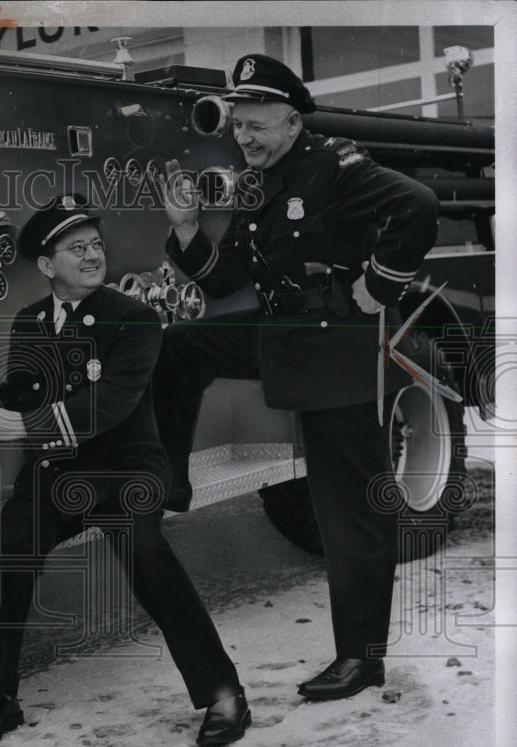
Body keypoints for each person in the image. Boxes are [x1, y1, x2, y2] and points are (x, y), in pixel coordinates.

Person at [154, 54, 439, 700]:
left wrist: (379, 284)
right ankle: (166, 482)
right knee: (181, 348)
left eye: (257, 126)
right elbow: (225, 279)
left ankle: (361, 659)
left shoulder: (335, 168)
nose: (244, 138)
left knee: (349, 511)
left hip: (334, 346)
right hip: (281, 335)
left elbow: (418, 206)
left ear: (290, 121)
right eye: (238, 127)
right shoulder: (262, 179)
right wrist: (187, 230)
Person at [0, 194, 250, 747]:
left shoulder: (133, 318)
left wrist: (24, 427)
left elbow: (109, 404)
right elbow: (19, 398)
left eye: (94, 245)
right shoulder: (29, 323)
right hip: (58, 473)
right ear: (45, 266)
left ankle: (223, 692)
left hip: (126, 466)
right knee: (7, 549)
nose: (91, 255)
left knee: (145, 551)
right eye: (75, 248)